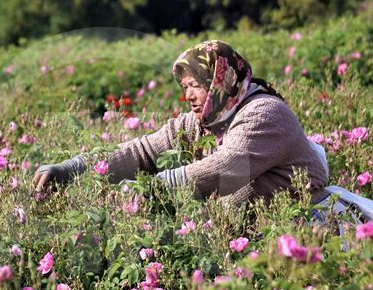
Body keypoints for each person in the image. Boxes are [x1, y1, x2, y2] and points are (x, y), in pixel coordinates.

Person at [33, 40, 328, 206]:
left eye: (195, 85)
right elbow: (142, 152)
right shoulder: (203, 122)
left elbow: (225, 169)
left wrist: (148, 188)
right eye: (184, 87)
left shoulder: (265, 114)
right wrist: (73, 168)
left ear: (220, 80)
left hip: (302, 232)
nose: (187, 96)